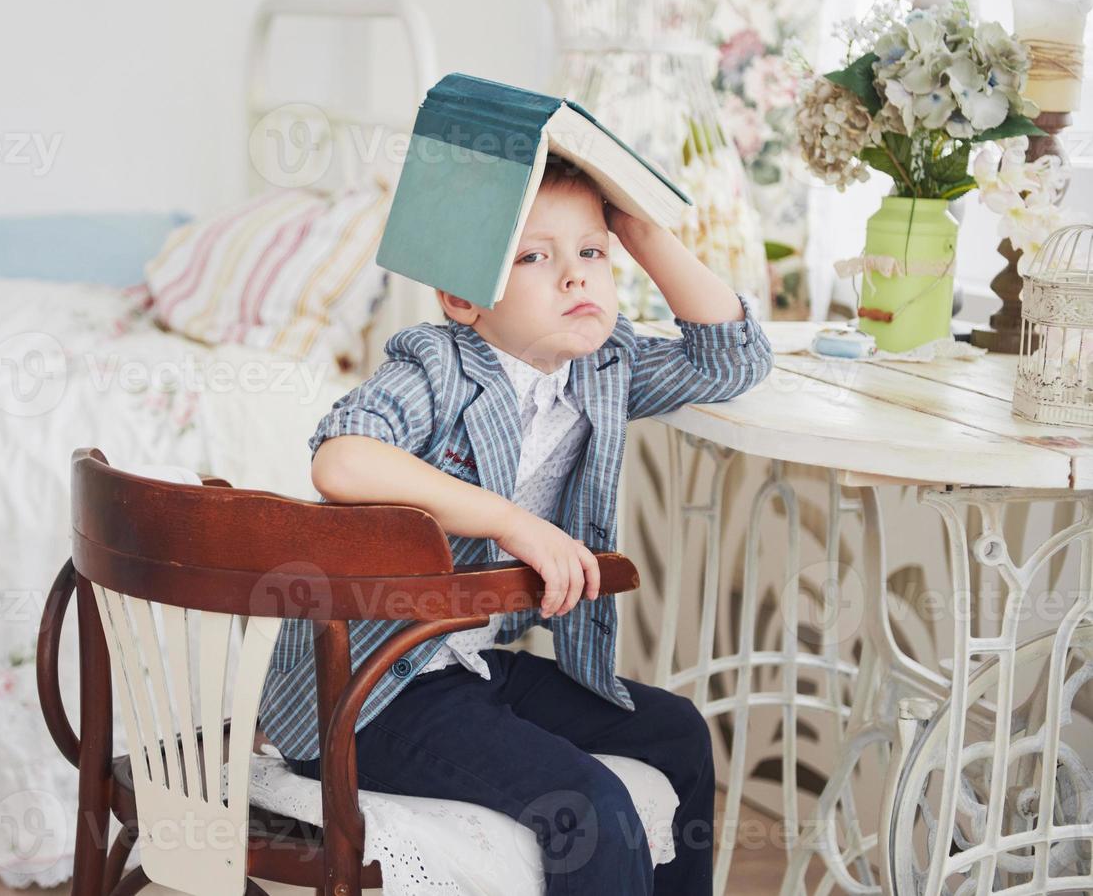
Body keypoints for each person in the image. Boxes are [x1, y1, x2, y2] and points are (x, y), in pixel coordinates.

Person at [258, 154, 775, 895]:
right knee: (590, 808)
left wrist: (638, 228)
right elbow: (342, 460)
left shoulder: (603, 367)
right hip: (367, 692)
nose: (576, 277)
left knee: (677, 732)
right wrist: (510, 523)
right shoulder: (437, 364)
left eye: (591, 253)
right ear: (465, 298)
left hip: (461, 668)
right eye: (536, 256)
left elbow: (733, 359)